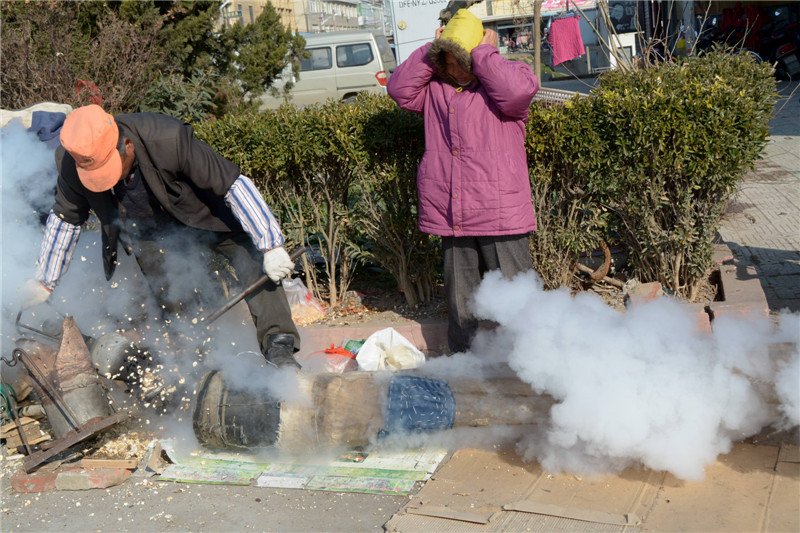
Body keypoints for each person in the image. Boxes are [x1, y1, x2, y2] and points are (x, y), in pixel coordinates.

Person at [20, 105, 301, 367]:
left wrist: (271, 245)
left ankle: (279, 344)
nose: (111, 182)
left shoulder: (167, 137)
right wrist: (45, 281)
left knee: (251, 260)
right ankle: (199, 358)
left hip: (206, 215)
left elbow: (232, 184)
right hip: (148, 231)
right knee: (173, 297)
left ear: (127, 145)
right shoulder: (71, 164)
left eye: (111, 171)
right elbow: (66, 219)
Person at [387, 9, 539, 353]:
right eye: (445, 60)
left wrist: (484, 55)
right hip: (453, 210)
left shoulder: (508, 74)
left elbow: (516, 95)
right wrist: (431, 49)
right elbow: (398, 89)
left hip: (500, 210)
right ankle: (465, 367)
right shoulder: (435, 89)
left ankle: (530, 362)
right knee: (460, 300)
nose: (451, 67)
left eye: (457, 59)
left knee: (516, 296)